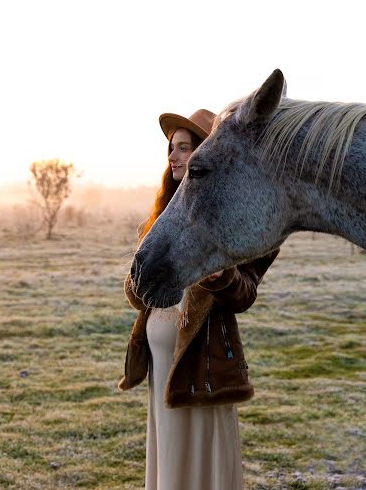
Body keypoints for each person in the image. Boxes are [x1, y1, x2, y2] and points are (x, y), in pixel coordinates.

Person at [119, 109, 279, 490]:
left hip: (202, 366)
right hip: (161, 363)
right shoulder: (163, 217)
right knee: (169, 457)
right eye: (171, 149)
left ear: (208, 153)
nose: (173, 157)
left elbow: (245, 294)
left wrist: (221, 278)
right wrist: (141, 277)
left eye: (184, 148)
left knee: (203, 465)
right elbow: (135, 290)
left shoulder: (242, 223)